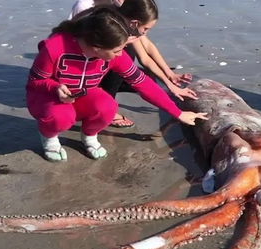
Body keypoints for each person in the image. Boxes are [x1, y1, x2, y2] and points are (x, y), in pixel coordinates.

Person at [26, 5, 207, 162]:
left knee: (108, 106)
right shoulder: (55, 48)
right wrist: (55, 87)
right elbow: (35, 82)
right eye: (117, 50)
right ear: (97, 48)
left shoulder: (112, 54)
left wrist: (178, 112)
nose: (121, 55)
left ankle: (89, 136)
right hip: (47, 97)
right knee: (61, 117)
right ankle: (49, 137)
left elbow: (141, 82)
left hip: (82, 95)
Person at [69, 0, 196, 128]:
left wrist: (170, 78)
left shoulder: (124, 18)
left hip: (101, 63)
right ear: (134, 23)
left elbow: (145, 56)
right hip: (79, 68)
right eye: (145, 28)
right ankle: (103, 102)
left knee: (147, 78)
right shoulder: (90, 10)